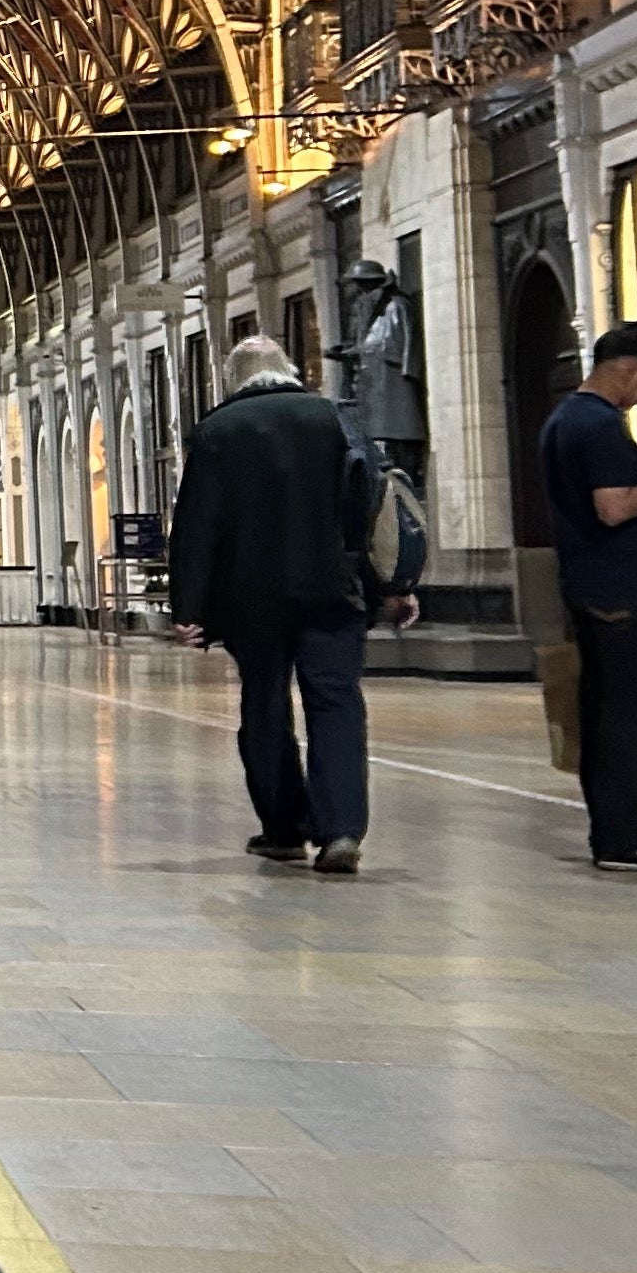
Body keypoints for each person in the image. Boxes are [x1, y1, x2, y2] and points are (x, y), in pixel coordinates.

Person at [168, 334, 407, 875]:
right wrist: (394, 583)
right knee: (337, 703)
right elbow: (374, 508)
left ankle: (283, 828)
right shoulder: (337, 420)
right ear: (292, 371)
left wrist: (189, 607)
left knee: (265, 706)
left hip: (251, 600)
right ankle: (341, 829)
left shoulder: (217, 431)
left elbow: (196, 527)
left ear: (234, 379)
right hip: (334, 590)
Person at [537, 321, 637, 872]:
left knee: (605, 713)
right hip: (622, 592)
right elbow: (612, 508)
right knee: (633, 718)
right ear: (631, 368)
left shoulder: (564, 419)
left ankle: (613, 832)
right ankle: (624, 834)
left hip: (590, 588)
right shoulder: (600, 426)